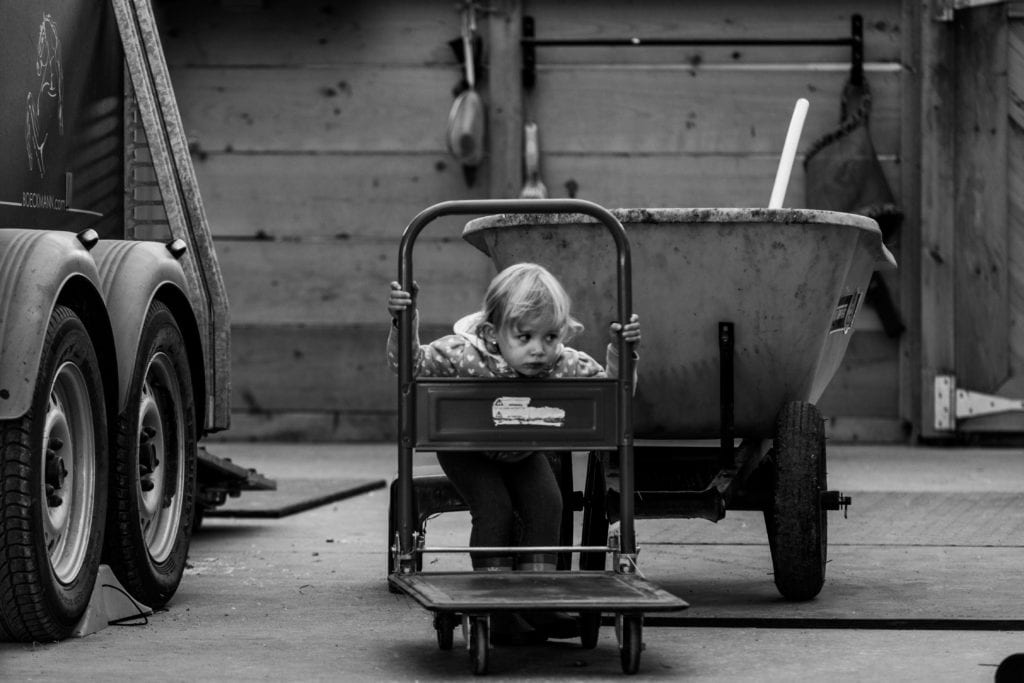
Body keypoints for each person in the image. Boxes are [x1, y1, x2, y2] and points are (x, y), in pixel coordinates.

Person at [386, 262, 640, 643]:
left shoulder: (561, 361)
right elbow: (410, 365)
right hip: (466, 448)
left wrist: (623, 352)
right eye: (524, 338)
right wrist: (404, 322)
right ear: (492, 332)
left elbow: (612, 392)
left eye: (551, 336)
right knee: (495, 508)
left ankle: (535, 596)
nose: (539, 350)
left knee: (548, 503)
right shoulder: (463, 355)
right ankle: (496, 604)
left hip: (521, 449)